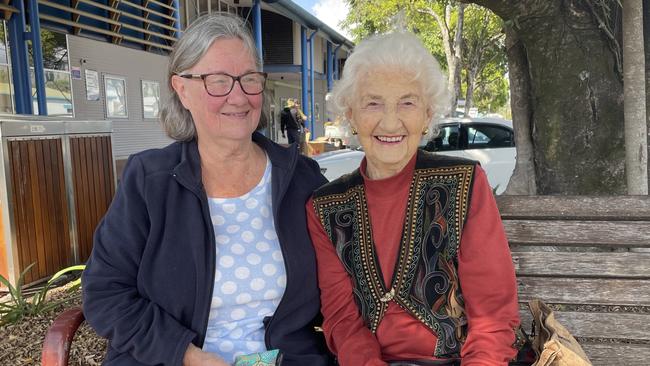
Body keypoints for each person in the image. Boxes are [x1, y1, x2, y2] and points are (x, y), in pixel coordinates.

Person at [82, 13, 330, 366]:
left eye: (249, 79)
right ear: (182, 89)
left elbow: (343, 287)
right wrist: (185, 354)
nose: (238, 97)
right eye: (218, 81)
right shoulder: (149, 181)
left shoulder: (302, 180)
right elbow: (105, 292)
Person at [306, 32, 521, 365]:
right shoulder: (325, 208)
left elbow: (492, 316)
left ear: (427, 114)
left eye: (407, 102)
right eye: (373, 103)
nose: (391, 121)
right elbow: (342, 321)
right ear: (350, 114)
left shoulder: (465, 183)